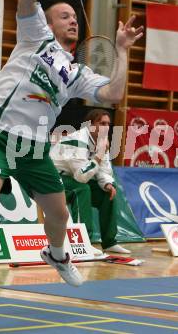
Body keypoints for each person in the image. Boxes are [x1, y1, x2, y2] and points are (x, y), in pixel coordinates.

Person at [0, 0, 143, 297]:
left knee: (59, 212)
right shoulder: (35, 37)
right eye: (63, 16)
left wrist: (122, 50)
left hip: (34, 147)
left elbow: (113, 93)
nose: (72, 21)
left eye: (73, 17)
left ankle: (56, 254)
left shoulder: (78, 74)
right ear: (47, 24)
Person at [50, 109, 131, 254]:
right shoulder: (76, 140)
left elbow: (103, 169)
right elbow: (81, 176)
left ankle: (109, 242)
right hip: (54, 179)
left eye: (108, 124)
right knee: (82, 189)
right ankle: (83, 241)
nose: (106, 127)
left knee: (108, 193)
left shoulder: (102, 141)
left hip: (74, 177)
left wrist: (106, 183)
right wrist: (99, 154)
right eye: (102, 123)